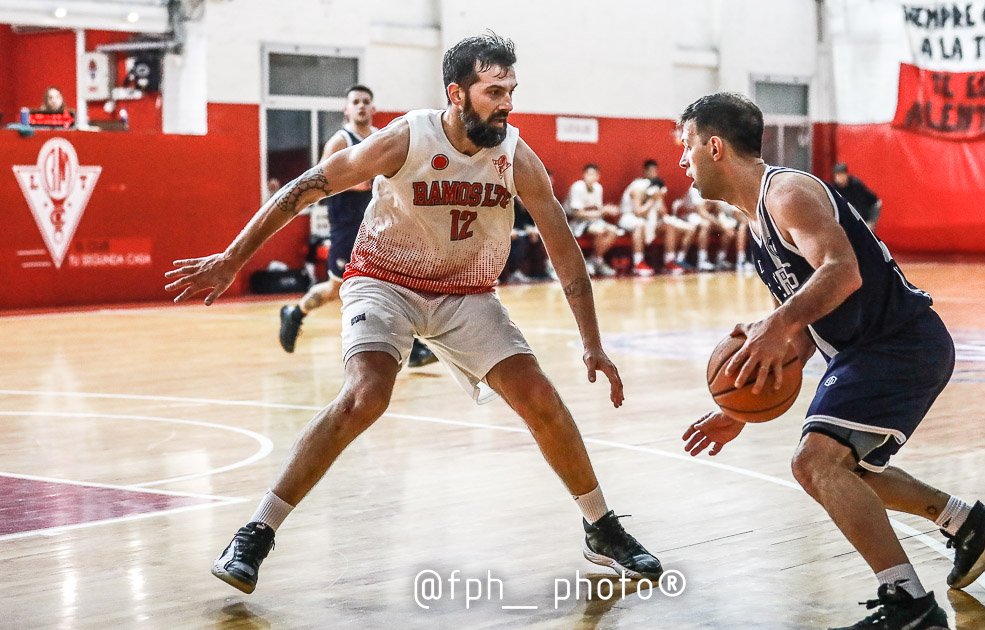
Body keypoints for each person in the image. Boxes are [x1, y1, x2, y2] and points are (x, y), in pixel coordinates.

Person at [166, 32, 662, 595]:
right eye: (494, 90)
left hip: (466, 293)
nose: (507, 103)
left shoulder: (516, 156)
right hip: (385, 281)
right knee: (366, 395)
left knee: (540, 397)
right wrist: (233, 258)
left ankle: (600, 526)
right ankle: (256, 530)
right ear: (457, 93)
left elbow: (564, 248)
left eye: (511, 90)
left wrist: (592, 343)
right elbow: (306, 188)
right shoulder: (406, 137)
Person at [676, 93, 985, 630]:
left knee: (814, 464)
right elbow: (805, 328)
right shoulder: (756, 230)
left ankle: (909, 605)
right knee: (847, 471)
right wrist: (739, 408)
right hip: (873, 351)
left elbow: (842, 272)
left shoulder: (787, 193)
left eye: (686, 146)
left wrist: (777, 324)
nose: (682, 161)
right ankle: (970, 525)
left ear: (713, 146)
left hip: (899, 343)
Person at [276, 84, 436, 367]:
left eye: (366, 102)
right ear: (346, 109)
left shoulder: (379, 138)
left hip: (377, 225)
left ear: (373, 108)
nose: (361, 106)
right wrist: (357, 183)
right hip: (347, 226)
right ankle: (296, 313)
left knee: (391, 281)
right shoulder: (340, 141)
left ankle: (413, 347)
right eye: (356, 102)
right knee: (335, 289)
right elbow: (318, 182)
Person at [618, 160, 692, 276]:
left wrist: (659, 198)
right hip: (629, 217)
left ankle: (669, 261)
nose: (653, 174)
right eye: (650, 171)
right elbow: (638, 213)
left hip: (647, 220)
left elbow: (663, 213)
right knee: (639, 225)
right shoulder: (637, 187)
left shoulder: (655, 188)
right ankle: (638, 263)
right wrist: (652, 200)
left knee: (669, 226)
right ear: (644, 172)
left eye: (655, 171)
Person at [564, 163, 620, 277]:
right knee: (600, 231)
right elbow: (578, 213)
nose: (591, 177)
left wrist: (607, 209)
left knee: (614, 231)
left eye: (594, 174)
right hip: (576, 222)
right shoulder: (577, 187)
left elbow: (597, 209)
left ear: (598, 176)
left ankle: (596, 260)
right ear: (583, 175)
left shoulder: (598, 188)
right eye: (588, 174)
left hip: (594, 220)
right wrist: (602, 211)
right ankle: (593, 261)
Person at [832, 163, 882, 231]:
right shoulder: (835, 188)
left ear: (846, 175)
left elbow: (861, 205)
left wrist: (864, 223)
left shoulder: (855, 184)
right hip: (857, 209)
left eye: (842, 175)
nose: (840, 178)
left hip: (872, 207)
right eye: (837, 175)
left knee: (867, 231)